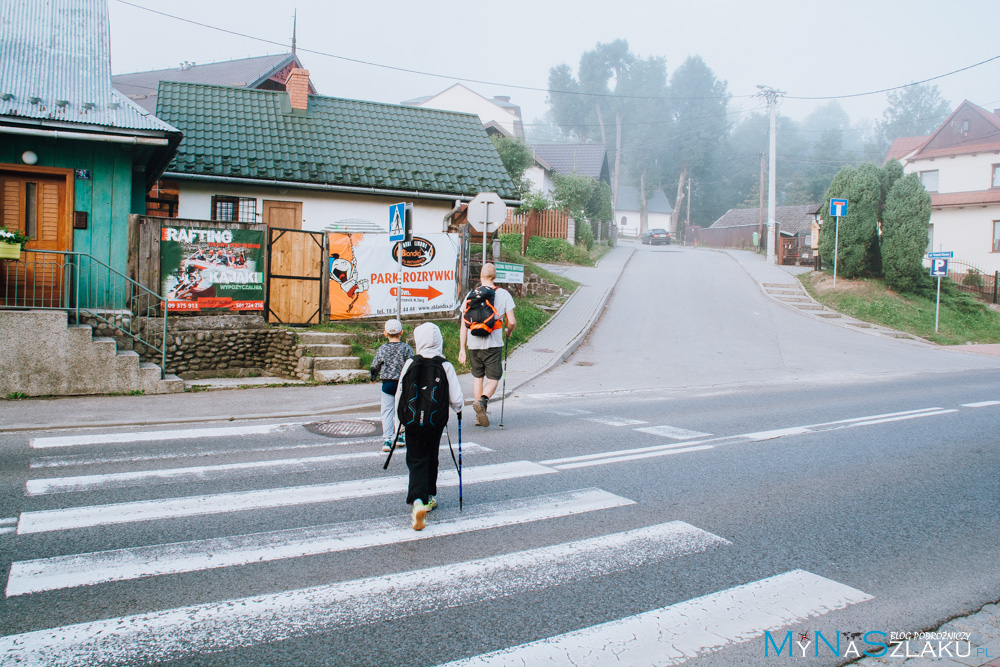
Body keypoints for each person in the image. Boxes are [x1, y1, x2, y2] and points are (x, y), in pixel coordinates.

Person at [395, 322, 464, 530]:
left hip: (412, 422)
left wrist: (399, 423)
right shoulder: (445, 365)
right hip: (435, 423)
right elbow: (457, 399)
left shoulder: (410, 363)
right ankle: (429, 497)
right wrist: (459, 409)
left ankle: (417, 501)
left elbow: (400, 393)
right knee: (431, 457)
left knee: (416, 459)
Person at [458, 263, 515, 427]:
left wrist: (462, 348)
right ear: (495, 277)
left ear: (481, 276)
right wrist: (508, 332)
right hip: (493, 344)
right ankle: (482, 402)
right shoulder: (503, 294)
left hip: (473, 343)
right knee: (494, 378)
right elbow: (511, 321)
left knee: (478, 378)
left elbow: (464, 324)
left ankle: (478, 416)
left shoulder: (470, 294)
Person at [369, 320, 413, 452]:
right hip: (402, 384)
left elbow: (374, 365)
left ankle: (387, 440)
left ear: (385, 333)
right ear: (401, 332)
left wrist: (373, 378)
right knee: (401, 410)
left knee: (387, 411)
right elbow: (412, 364)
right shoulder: (406, 348)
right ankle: (400, 436)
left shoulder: (382, 349)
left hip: (387, 384)